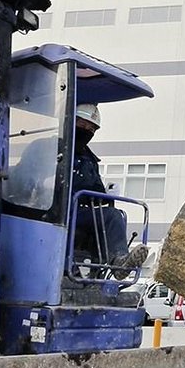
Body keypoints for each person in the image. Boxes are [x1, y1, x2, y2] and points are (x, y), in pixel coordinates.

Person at [72, 103, 147, 277]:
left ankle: (118, 261)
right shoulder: (51, 148)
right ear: (70, 121)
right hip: (53, 211)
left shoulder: (89, 159)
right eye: (82, 125)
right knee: (111, 216)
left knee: (114, 216)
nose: (86, 131)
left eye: (91, 129)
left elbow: (94, 188)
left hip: (79, 212)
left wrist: (107, 195)